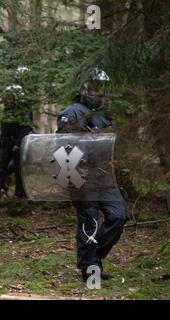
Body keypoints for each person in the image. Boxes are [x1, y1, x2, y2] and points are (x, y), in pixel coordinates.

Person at [57, 68, 128, 282]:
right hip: (81, 175)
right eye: (95, 87)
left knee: (119, 216)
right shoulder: (72, 112)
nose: (99, 92)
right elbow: (61, 147)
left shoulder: (105, 113)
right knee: (90, 222)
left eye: (102, 88)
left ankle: (93, 256)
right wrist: (74, 178)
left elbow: (112, 142)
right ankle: (90, 268)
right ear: (85, 87)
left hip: (105, 176)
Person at [0, 85, 33, 199]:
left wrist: (18, 143)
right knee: (0, 167)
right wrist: (1, 142)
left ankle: (20, 192)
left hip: (17, 143)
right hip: (5, 142)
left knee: (18, 169)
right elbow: (4, 126)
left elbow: (26, 128)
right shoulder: (7, 109)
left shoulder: (24, 109)